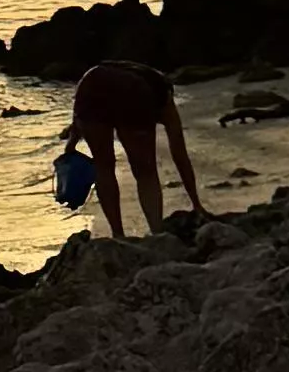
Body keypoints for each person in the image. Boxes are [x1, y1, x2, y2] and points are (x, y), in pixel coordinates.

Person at [65, 35, 203, 236]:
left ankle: (118, 234)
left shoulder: (147, 81)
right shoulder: (163, 98)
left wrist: (71, 143)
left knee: (103, 167)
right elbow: (179, 155)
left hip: (90, 85)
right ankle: (157, 231)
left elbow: (79, 113)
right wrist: (196, 203)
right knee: (145, 172)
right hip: (132, 93)